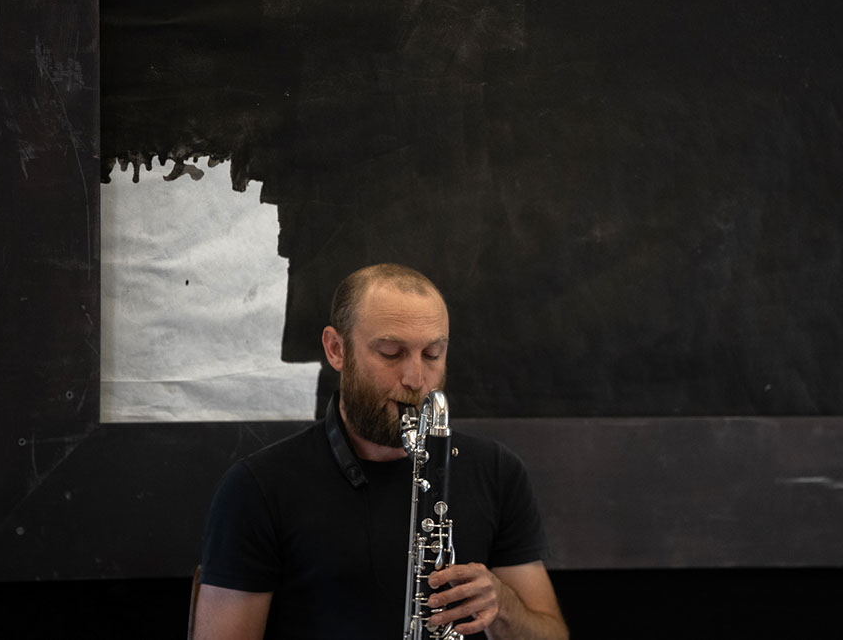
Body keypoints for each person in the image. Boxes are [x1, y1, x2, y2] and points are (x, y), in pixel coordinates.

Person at [193, 263, 568, 639]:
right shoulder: (257, 487)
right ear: (336, 349)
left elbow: (551, 634)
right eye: (391, 353)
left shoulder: (496, 471)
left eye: (432, 354)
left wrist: (502, 605)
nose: (416, 380)